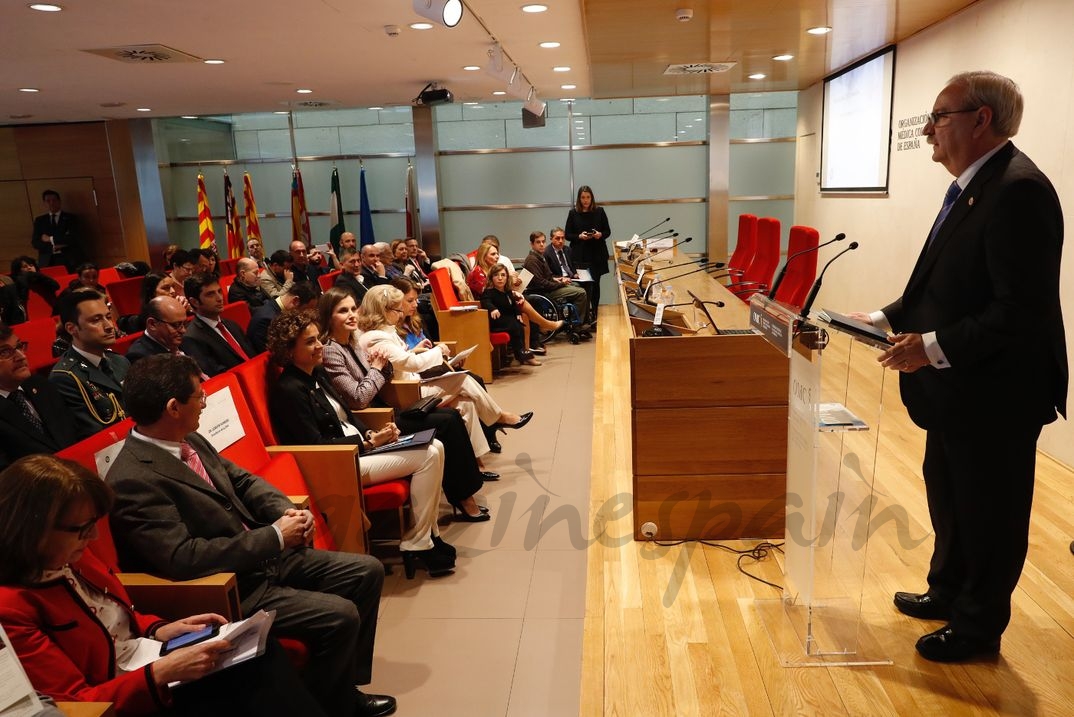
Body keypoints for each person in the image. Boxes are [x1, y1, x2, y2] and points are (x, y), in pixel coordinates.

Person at [849, 71, 1066, 663]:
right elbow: (946, 285)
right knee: (948, 493)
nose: (927, 131)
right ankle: (946, 590)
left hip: (997, 391)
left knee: (989, 510)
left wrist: (931, 347)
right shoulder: (976, 186)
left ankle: (977, 625)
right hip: (956, 387)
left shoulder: (1020, 190)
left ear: (981, 119)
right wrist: (882, 317)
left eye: (939, 116)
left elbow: (1020, 311)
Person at [106, 354, 395, 717]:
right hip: (230, 586)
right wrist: (274, 537)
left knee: (367, 571)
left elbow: (241, 480)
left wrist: (283, 511)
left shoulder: (187, 436)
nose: (205, 402)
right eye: (200, 396)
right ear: (173, 407)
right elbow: (183, 558)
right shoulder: (132, 478)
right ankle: (332, 705)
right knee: (340, 615)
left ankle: (337, 690)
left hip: (264, 555)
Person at [0, 454, 328, 717]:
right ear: (32, 529)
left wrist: (160, 629)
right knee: (250, 678)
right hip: (127, 694)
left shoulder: (67, 552)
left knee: (258, 649)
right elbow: (78, 703)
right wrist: (161, 671)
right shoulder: (12, 607)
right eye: (83, 528)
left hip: (148, 659)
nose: (94, 537)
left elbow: (117, 615)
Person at [265, 309, 455, 576]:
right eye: (309, 342)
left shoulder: (316, 374)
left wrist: (371, 434)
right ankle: (418, 543)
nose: (320, 346)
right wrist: (366, 443)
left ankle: (426, 536)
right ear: (288, 350)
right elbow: (315, 444)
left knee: (436, 446)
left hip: (360, 450)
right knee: (428, 455)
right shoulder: (289, 390)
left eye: (318, 338)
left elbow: (349, 414)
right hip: (339, 464)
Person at [318, 287, 491, 520]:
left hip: (383, 407)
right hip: (373, 417)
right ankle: (464, 498)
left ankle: (465, 493)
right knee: (447, 423)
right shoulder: (332, 351)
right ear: (329, 316)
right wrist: (378, 370)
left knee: (450, 417)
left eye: (352, 309)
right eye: (342, 311)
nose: (351, 315)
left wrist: (380, 370)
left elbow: (380, 376)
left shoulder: (354, 341)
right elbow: (358, 398)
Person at [356, 285, 533, 460]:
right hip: (404, 393)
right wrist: (439, 351)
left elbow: (400, 361)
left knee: (466, 403)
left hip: (411, 384)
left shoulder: (381, 332)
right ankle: (500, 417)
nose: (401, 314)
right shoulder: (376, 338)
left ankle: (474, 462)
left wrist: (416, 350)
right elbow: (411, 364)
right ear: (384, 310)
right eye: (397, 310)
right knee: (463, 379)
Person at [48, 290, 129, 440]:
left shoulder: (120, 361)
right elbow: (95, 435)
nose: (109, 326)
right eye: (96, 320)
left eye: (109, 317)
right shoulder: (66, 377)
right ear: (72, 329)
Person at [0, 323, 78, 469]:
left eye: (19, 346)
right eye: (5, 352)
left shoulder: (42, 385)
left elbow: (75, 431)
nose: (21, 356)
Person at [180, 274, 255, 377]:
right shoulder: (191, 338)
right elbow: (216, 375)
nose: (219, 298)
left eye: (219, 291)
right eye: (210, 294)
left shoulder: (231, 324)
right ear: (195, 302)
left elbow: (253, 355)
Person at [523, 230, 590, 329]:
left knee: (577, 285)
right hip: (544, 292)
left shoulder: (539, 257)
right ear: (532, 244)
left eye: (543, 241)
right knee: (581, 293)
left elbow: (548, 277)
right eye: (538, 242)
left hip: (548, 287)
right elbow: (541, 284)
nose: (542, 244)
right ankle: (577, 325)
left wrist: (557, 279)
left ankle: (576, 319)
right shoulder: (532, 260)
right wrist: (561, 284)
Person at [482, 263, 540, 366]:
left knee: (520, 325)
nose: (500, 278)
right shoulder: (489, 292)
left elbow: (514, 305)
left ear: (507, 278)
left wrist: (518, 313)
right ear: (491, 278)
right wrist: (493, 309)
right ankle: (522, 355)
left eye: (503, 275)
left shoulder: (508, 292)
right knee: (514, 325)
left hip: (508, 321)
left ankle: (522, 353)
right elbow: (486, 302)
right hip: (496, 322)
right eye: (496, 275)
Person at [564, 184, 611, 308]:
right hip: (580, 255)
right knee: (583, 286)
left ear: (592, 198)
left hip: (597, 254)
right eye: (583, 197)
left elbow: (607, 231)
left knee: (595, 285)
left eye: (588, 197)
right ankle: (584, 315)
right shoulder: (573, 213)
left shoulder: (599, 211)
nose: (585, 200)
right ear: (579, 199)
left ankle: (595, 313)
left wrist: (600, 234)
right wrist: (579, 236)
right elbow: (567, 234)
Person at [247, 281, 319, 354]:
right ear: (295, 301)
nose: (307, 314)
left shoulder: (284, 312)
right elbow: (272, 355)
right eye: (306, 309)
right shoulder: (265, 320)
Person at [126, 296, 196, 365]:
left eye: (184, 323)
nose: (183, 330)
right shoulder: (140, 356)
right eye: (176, 325)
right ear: (152, 324)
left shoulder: (186, 340)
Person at [31, 189, 82, 271]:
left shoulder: (70, 218)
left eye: (54, 200)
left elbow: (73, 238)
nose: (51, 203)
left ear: (59, 201)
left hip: (69, 258)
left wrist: (50, 239)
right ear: (44, 203)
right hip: (47, 260)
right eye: (48, 201)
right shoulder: (40, 220)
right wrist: (54, 246)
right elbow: (35, 242)